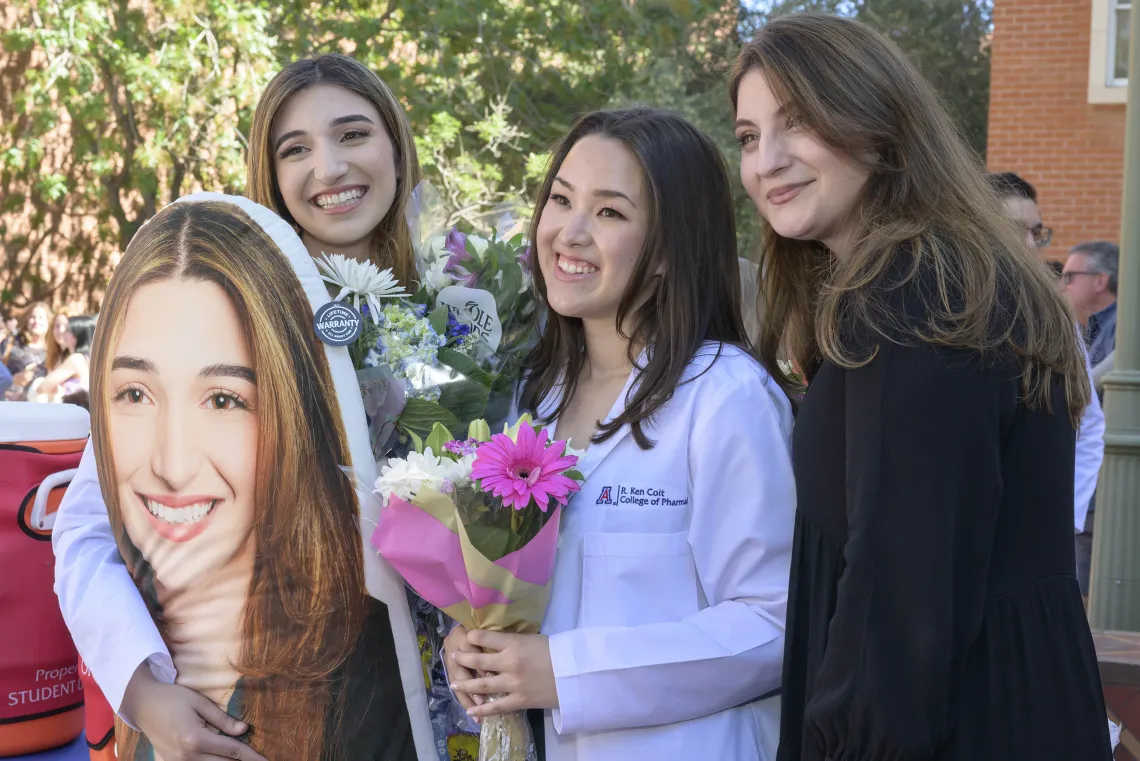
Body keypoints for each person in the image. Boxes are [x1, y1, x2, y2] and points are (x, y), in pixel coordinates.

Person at [731, 14, 1112, 760]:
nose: (766, 161)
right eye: (747, 136)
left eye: (798, 122)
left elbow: (901, 597)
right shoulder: (945, 276)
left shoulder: (911, 292)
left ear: (876, 124)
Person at [52, 55, 439, 761]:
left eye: (352, 135)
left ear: (396, 147)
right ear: (270, 171)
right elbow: (87, 532)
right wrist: (144, 691)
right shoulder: (210, 305)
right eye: (295, 148)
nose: (328, 168)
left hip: (440, 713)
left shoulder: (463, 315)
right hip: (257, 726)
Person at [444, 106, 794, 761]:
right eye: (561, 200)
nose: (569, 234)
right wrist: (481, 640)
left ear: (666, 249)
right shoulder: (535, 396)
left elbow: (773, 623)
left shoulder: (725, 396)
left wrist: (562, 671)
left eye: (609, 212)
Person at [84, 196, 416, 760]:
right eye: (135, 394)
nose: (172, 463)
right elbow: (80, 535)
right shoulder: (147, 647)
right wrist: (138, 694)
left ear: (292, 415)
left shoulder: (362, 687)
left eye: (222, 399)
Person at [987, 171, 1105, 539]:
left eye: (1035, 231)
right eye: (1012, 229)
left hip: (1029, 535)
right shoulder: (940, 309)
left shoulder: (1054, 321)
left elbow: (1088, 424)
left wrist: (1064, 518)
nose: (1029, 244)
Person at [1063, 240, 1119, 389]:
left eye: (1069, 277)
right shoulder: (1088, 328)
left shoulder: (1125, 327)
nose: (1062, 285)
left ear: (1100, 281)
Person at [31, 314, 96, 402]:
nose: (64, 332)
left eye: (68, 330)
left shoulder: (76, 359)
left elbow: (42, 387)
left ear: (78, 335)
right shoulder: (88, 358)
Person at [2, 301, 51, 400]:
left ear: (48, 322)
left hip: (39, 405)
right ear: (26, 320)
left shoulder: (53, 350)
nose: (36, 321)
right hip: (8, 403)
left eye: (41, 318)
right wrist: (13, 381)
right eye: (32, 317)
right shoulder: (11, 342)